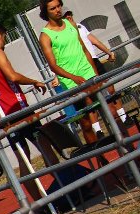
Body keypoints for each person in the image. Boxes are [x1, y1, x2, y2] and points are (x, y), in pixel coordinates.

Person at [0, 22, 58, 201]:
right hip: (18, 110)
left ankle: (39, 202)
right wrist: (34, 81)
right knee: (44, 146)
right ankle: (63, 187)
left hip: (3, 117)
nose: (5, 42)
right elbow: (12, 76)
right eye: (4, 37)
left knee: (23, 159)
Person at [39, 0, 102, 144]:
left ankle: (120, 144)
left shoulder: (71, 24)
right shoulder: (45, 36)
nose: (57, 10)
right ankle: (99, 154)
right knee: (85, 122)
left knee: (106, 106)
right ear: (46, 12)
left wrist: (95, 72)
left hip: (88, 73)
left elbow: (85, 49)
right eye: (53, 8)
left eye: (59, 6)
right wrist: (73, 77)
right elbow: (53, 66)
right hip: (71, 82)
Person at [65, 10, 127, 123]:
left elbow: (95, 41)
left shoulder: (80, 26)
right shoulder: (64, 34)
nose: (69, 17)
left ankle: (124, 118)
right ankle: (99, 131)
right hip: (81, 66)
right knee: (89, 98)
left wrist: (109, 52)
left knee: (110, 88)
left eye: (69, 14)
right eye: (65, 16)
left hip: (94, 60)